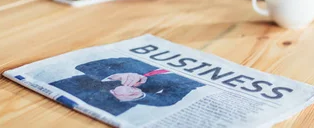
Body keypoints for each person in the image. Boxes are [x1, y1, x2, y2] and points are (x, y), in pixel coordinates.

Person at [50, 58, 204, 116]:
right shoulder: (135, 58)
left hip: (107, 105)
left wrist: (139, 96)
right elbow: (85, 65)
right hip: (71, 86)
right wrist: (114, 75)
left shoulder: (191, 80)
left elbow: (169, 99)